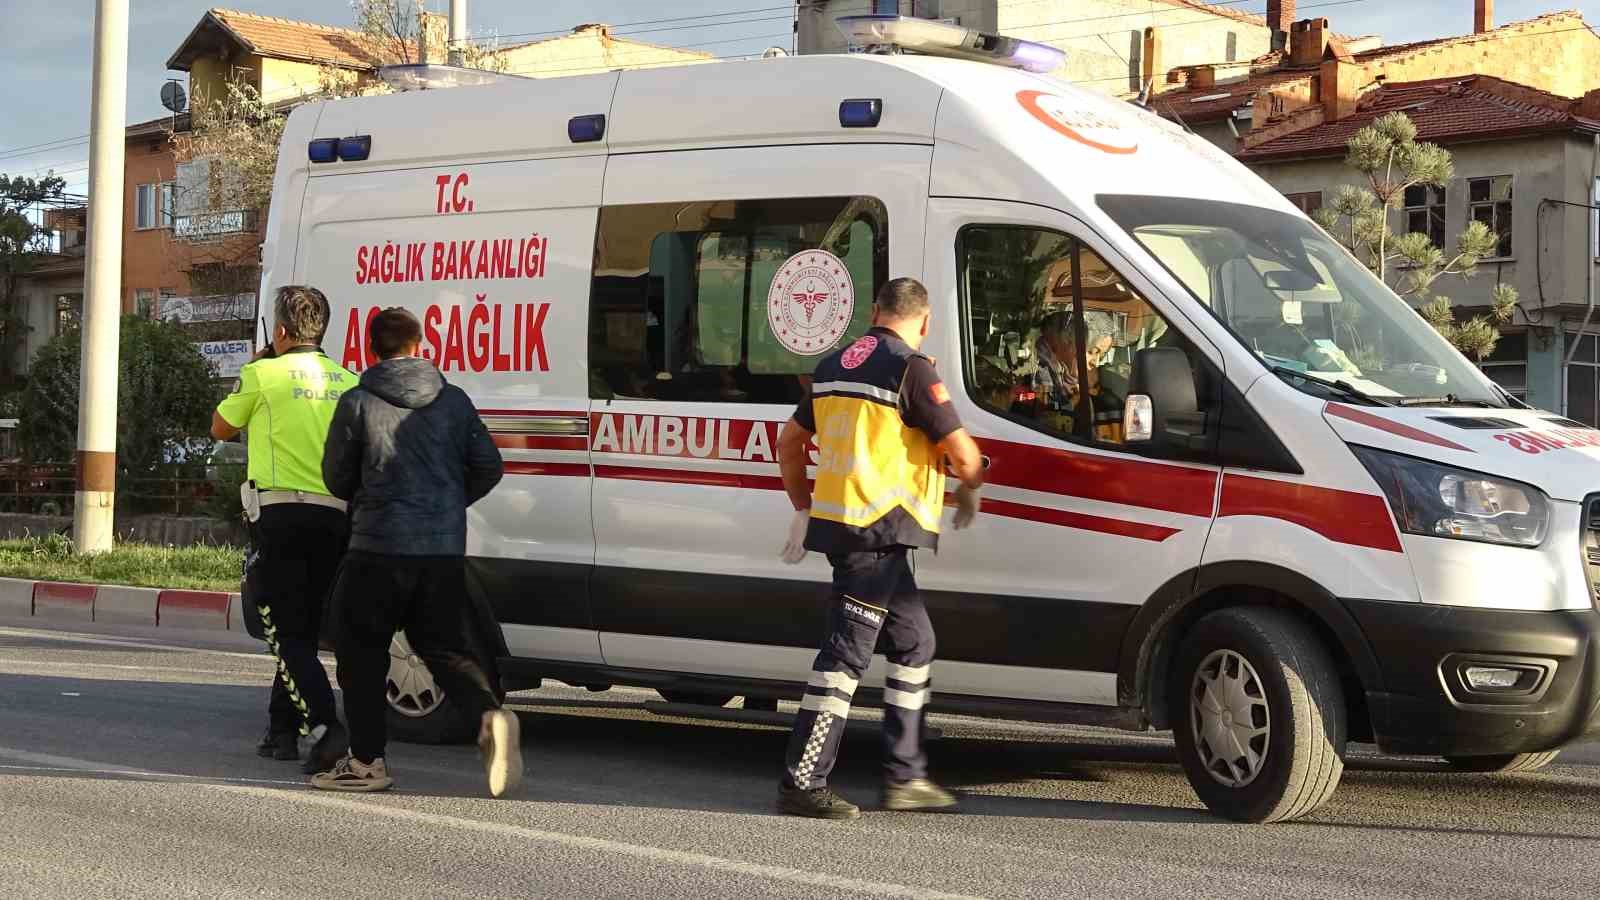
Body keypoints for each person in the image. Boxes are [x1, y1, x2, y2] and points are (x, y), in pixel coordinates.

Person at [774, 277, 986, 820]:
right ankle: (802, 780)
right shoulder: (912, 367)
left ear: (874, 312)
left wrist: (803, 506)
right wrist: (969, 486)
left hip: (854, 531)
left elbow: (791, 442)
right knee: (845, 657)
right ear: (925, 320)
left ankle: (905, 775)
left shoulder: (834, 364)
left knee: (915, 641)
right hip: (875, 536)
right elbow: (963, 456)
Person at [314, 307, 521, 796]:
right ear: (420, 345)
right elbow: (489, 466)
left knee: (361, 653)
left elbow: (336, 478)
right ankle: (490, 714)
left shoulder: (358, 402)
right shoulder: (454, 402)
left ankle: (366, 762)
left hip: (377, 549)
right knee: (444, 647)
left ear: (371, 349)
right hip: (443, 551)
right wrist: (446, 506)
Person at [211, 285, 351, 772]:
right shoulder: (347, 380)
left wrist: (264, 363)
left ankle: (325, 726)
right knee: (303, 629)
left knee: (282, 632)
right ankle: (281, 730)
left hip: (280, 516)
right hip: (336, 517)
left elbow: (221, 428)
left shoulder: (261, 373)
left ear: (283, 331)